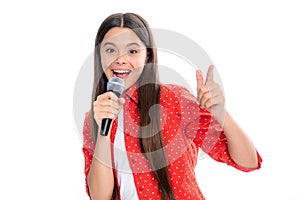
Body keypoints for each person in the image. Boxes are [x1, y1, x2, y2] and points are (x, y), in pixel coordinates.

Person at [82, 12, 262, 200]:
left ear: (147, 55)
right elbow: (100, 197)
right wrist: (104, 129)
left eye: (132, 51)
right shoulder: (93, 118)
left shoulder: (176, 99)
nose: (120, 59)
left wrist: (221, 114)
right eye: (110, 50)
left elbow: (248, 161)